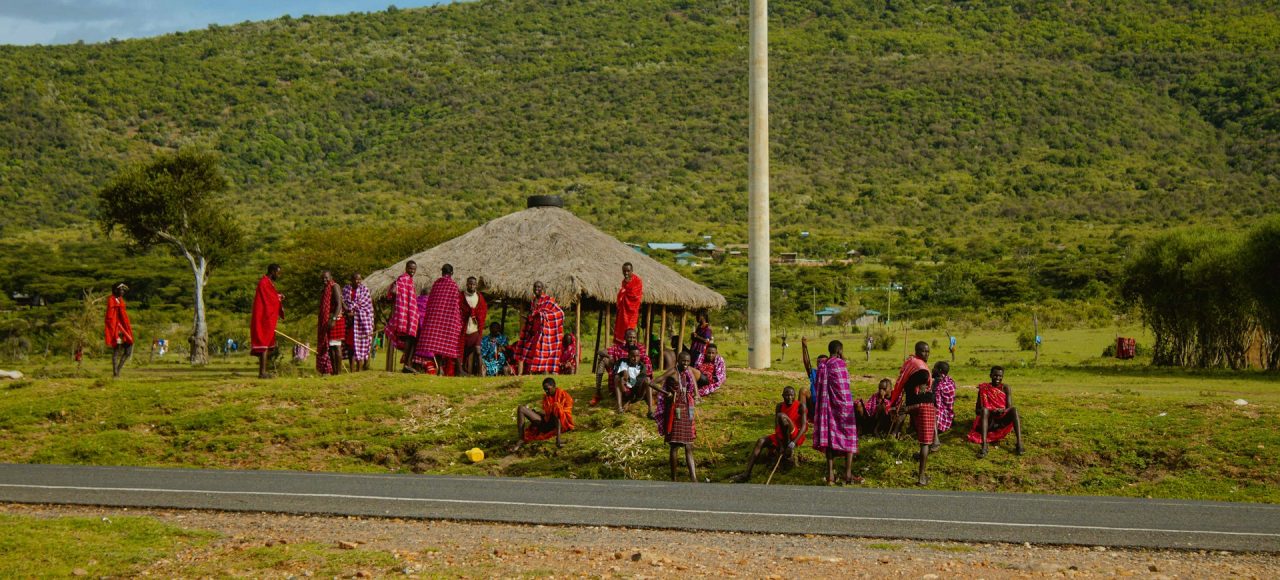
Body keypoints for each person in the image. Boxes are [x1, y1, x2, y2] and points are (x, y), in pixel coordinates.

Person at [732, 386, 808, 483]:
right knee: (761, 441)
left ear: (795, 396)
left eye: (792, 395)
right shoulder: (779, 406)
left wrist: (792, 444)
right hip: (782, 435)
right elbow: (777, 428)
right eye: (787, 395)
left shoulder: (801, 406)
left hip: (795, 435)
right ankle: (746, 473)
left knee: (782, 416)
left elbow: (803, 428)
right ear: (782, 396)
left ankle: (787, 444)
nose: (789, 398)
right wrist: (780, 445)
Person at [811, 340, 861, 485]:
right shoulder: (840, 364)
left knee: (830, 440)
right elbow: (845, 388)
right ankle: (848, 474)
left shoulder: (822, 366)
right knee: (849, 437)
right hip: (843, 409)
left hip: (827, 409)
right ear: (839, 351)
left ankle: (830, 475)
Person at [652, 351, 702, 482]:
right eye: (683, 361)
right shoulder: (672, 372)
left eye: (688, 362)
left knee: (689, 445)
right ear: (678, 361)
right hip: (675, 411)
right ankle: (674, 479)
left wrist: (696, 395)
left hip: (687, 410)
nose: (685, 364)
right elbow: (652, 383)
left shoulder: (689, 372)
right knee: (674, 445)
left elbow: (695, 386)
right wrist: (666, 393)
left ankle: (694, 479)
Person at [967, 366, 1025, 457]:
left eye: (1000, 376)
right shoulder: (983, 388)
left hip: (1001, 420)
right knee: (984, 410)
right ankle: (984, 446)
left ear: (1002, 377)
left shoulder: (1006, 388)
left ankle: (1019, 443)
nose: (997, 378)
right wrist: (990, 411)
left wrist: (1002, 411)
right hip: (989, 421)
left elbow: (1009, 407)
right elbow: (977, 411)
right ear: (990, 375)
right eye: (995, 376)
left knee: (1014, 409)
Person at [419, 264, 464, 374]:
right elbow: (455, 305)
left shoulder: (436, 284)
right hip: (446, 321)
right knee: (445, 345)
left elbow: (430, 303)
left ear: (442, 272)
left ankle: (439, 368)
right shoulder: (453, 286)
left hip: (435, 321)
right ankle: (441, 369)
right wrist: (457, 321)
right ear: (452, 273)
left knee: (437, 346)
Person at [513, 281, 564, 375]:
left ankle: (546, 372)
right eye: (535, 286)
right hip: (534, 331)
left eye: (539, 287)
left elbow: (559, 313)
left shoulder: (548, 300)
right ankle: (531, 372)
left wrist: (542, 315)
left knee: (544, 352)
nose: (537, 289)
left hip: (545, 332)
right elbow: (534, 315)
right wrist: (530, 318)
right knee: (530, 350)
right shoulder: (533, 301)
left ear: (543, 288)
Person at [592, 328, 651, 407]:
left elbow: (647, 363)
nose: (631, 339)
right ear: (625, 338)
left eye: (634, 337)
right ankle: (598, 391)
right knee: (602, 359)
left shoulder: (640, 348)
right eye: (629, 337)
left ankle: (636, 396)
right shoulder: (618, 348)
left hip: (635, 378)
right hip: (620, 376)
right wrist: (609, 356)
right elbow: (600, 351)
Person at [514, 377, 574, 451]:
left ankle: (558, 439)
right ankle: (521, 439)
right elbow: (546, 414)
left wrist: (554, 409)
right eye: (544, 389)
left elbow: (565, 413)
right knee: (521, 408)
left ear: (554, 386)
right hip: (545, 423)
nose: (546, 391)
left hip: (559, 424)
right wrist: (537, 413)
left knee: (556, 406)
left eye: (548, 389)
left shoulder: (565, 396)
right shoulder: (546, 397)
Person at [903, 358, 936, 485]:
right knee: (925, 443)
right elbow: (924, 377)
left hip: (913, 404)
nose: (926, 354)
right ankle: (921, 478)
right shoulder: (921, 368)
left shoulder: (909, 366)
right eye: (924, 351)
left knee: (921, 438)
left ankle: (921, 457)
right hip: (925, 405)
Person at [250, 264, 284, 379]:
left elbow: (271, 297)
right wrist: (278, 298)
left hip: (264, 318)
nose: (279, 275)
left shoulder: (267, 283)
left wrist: (278, 296)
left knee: (267, 345)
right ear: (273, 271)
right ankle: (262, 373)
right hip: (262, 318)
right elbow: (269, 301)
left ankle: (263, 371)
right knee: (264, 344)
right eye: (278, 273)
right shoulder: (264, 283)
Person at [385, 261, 420, 373]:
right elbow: (393, 291)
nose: (412, 271)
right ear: (406, 268)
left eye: (414, 269)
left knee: (412, 338)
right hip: (403, 314)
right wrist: (397, 293)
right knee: (410, 338)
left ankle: (407, 364)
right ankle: (407, 364)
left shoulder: (410, 280)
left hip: (410, 313)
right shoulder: (402, 279)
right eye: (410, 268)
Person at [342, 273, 374, 372]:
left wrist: (355, 314)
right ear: (351, 279)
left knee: (360, 347)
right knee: (351, 347)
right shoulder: (346, 289)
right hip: (349, 323)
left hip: (361, 324)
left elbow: (367, 308)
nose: (357, 281)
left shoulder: (364, 290)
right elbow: (343, 302)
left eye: (359, 280)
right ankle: (352, 370)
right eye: (355, 279)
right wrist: (348, 312)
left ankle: (359, 370)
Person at [315, 271, 345, 375]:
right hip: (328, 320)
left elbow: (338, 304)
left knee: (336, 346)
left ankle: (339, 372)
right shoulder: (324, 289)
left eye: (326, 278)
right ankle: (334, 371)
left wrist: (333, 319)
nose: (324, 280)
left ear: (331, 277)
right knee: (331, 346)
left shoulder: (334, 286)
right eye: (323, 278)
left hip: (335, 319)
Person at [612, 345, 654, 415]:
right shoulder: (621, 362)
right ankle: (619, 408)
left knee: (647, 379)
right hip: (624, 392)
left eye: (637, 356)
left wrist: (628, 378)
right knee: (617, 378)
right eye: (633, 356)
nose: (635, 358)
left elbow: (636, 384)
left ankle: (650, 411)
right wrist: (623, 372)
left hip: (637, 393)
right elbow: (615, 372)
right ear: (628, 356)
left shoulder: (642, 366)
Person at [104, 282, 134, 378]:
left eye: (123, 290)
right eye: (121, 290)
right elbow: (110, 317)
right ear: (116, 290)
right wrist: (115, 330)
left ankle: (118, 371)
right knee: (116, 351)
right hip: (116, 329)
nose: (123, 291)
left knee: (128, 350)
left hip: (124, 328)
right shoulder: (111, 300)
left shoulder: (120, 300)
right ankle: (115, 373)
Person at [460, 276, 488, 376]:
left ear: (476, 285)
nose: (472, 286)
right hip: (463, 330)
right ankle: (464, 372)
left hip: (475, 330)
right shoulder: (461, 296)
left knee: (477, 350)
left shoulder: (479, 297)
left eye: (473, 284)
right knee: (462, 352)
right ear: (467, 284)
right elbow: (458, 311)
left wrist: (476, 316)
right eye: (470, 284)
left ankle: (480, 374)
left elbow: (483, 311)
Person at [890, 341, 931, 408]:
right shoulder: (918, 364)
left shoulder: (911, 361)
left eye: (928, 352)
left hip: (911, 399)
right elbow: (925, 376)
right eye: (924, 351)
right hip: (917, 401)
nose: (926, 354)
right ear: (917, 352)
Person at [613, 262, 643, 345]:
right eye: (624, 271)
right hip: (623, 311)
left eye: (628, 271)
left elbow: (636, 297)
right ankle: (621, 345)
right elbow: (623, 293)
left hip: (632, 312)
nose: (626, 273)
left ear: (632, 271)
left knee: (630, 331)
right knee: (621, 328)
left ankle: (631, 346)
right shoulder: (624, 282)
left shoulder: (637, 281)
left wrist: (624, 293)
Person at [800, 337, 828, 421]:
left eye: (823, 362)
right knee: (803, 390)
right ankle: (802, 418)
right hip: (813, 404)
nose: (820, 364)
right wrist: (804, 347)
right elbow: (806, 363)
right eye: (818, 362)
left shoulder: (831, 373)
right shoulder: (814, 372)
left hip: (826, 405)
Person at [931, 361, 956, 452]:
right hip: (947, 415)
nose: (932, 370)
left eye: (934, 368)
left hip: (943, 416)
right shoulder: (949, 381)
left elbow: (934, 401)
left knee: (931, 410)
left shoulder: (939, 384)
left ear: (939, 371)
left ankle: (936, 439)